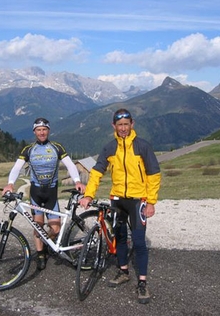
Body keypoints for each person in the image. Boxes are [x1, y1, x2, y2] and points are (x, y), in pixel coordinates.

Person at [79, 109, 161, 304]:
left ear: (132, 124)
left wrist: (151, 202)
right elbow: (97, 172)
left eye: (126, 124)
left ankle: (142, 282)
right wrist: (89, 194)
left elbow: (154, 175)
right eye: (119, 125)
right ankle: (123, 271)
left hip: (138, 200)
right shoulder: (109, 148)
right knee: (120, 238)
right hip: (117, 200)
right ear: (113, 126)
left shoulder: (143, 146)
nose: (123, 128)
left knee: (139, 241)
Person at [2, 117, 85, 271]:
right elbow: (16, 167)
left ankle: (47, 245)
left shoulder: (57, 147)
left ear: (48, 131)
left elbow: (70, 165)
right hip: (36, 192)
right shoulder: (28, 150)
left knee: (56, 229)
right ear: (34, 132)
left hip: (51, 193)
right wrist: (10, 184)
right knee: (37, 226)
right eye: (38, 130)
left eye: (44, 129)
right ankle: (41, 254)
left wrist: (77, 181)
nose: (42, 132)